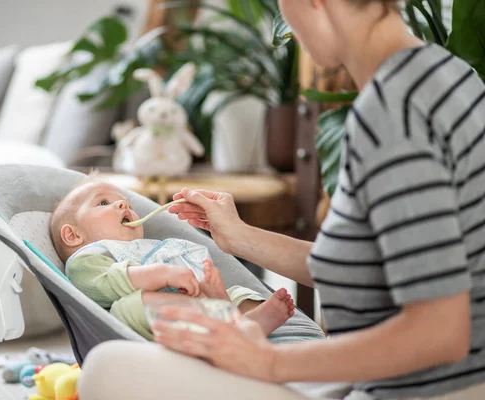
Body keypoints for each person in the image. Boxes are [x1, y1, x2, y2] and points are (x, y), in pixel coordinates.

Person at [76, 0, 485, 399]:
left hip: (417, 387)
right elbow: (375, 270)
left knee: (106, 368)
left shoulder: (391, 114)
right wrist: (237, 236)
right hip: (408, 376)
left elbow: (439, 333)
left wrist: (267, 363)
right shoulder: (450, 75)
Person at [49, 179, 295, 340]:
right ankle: (229, 320)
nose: (122, 203)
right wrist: (162, 274)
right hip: (147, 327)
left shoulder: (149, 246)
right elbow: (109, 284)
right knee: (127, 308)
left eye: (124, 201)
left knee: (238, 291)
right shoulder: (87, 259)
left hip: (193, 300)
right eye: (103, 202)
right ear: (73, 235)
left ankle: (243, 318)